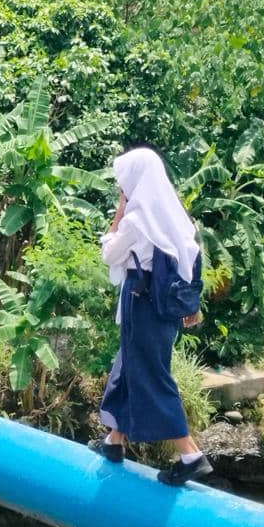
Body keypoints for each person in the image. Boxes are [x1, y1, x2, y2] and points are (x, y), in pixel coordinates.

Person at [90, 146, 212, 486]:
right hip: (164, 309)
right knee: (129, 366)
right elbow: (189, 256)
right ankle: (114, 441)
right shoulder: (171, 214)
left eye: (123, 181)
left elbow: (109, 253)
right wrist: (191, 305)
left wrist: (118, 213)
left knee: (150, 374)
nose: (121, 187)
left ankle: (191, 454)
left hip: (141, 303)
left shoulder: (137, 219)